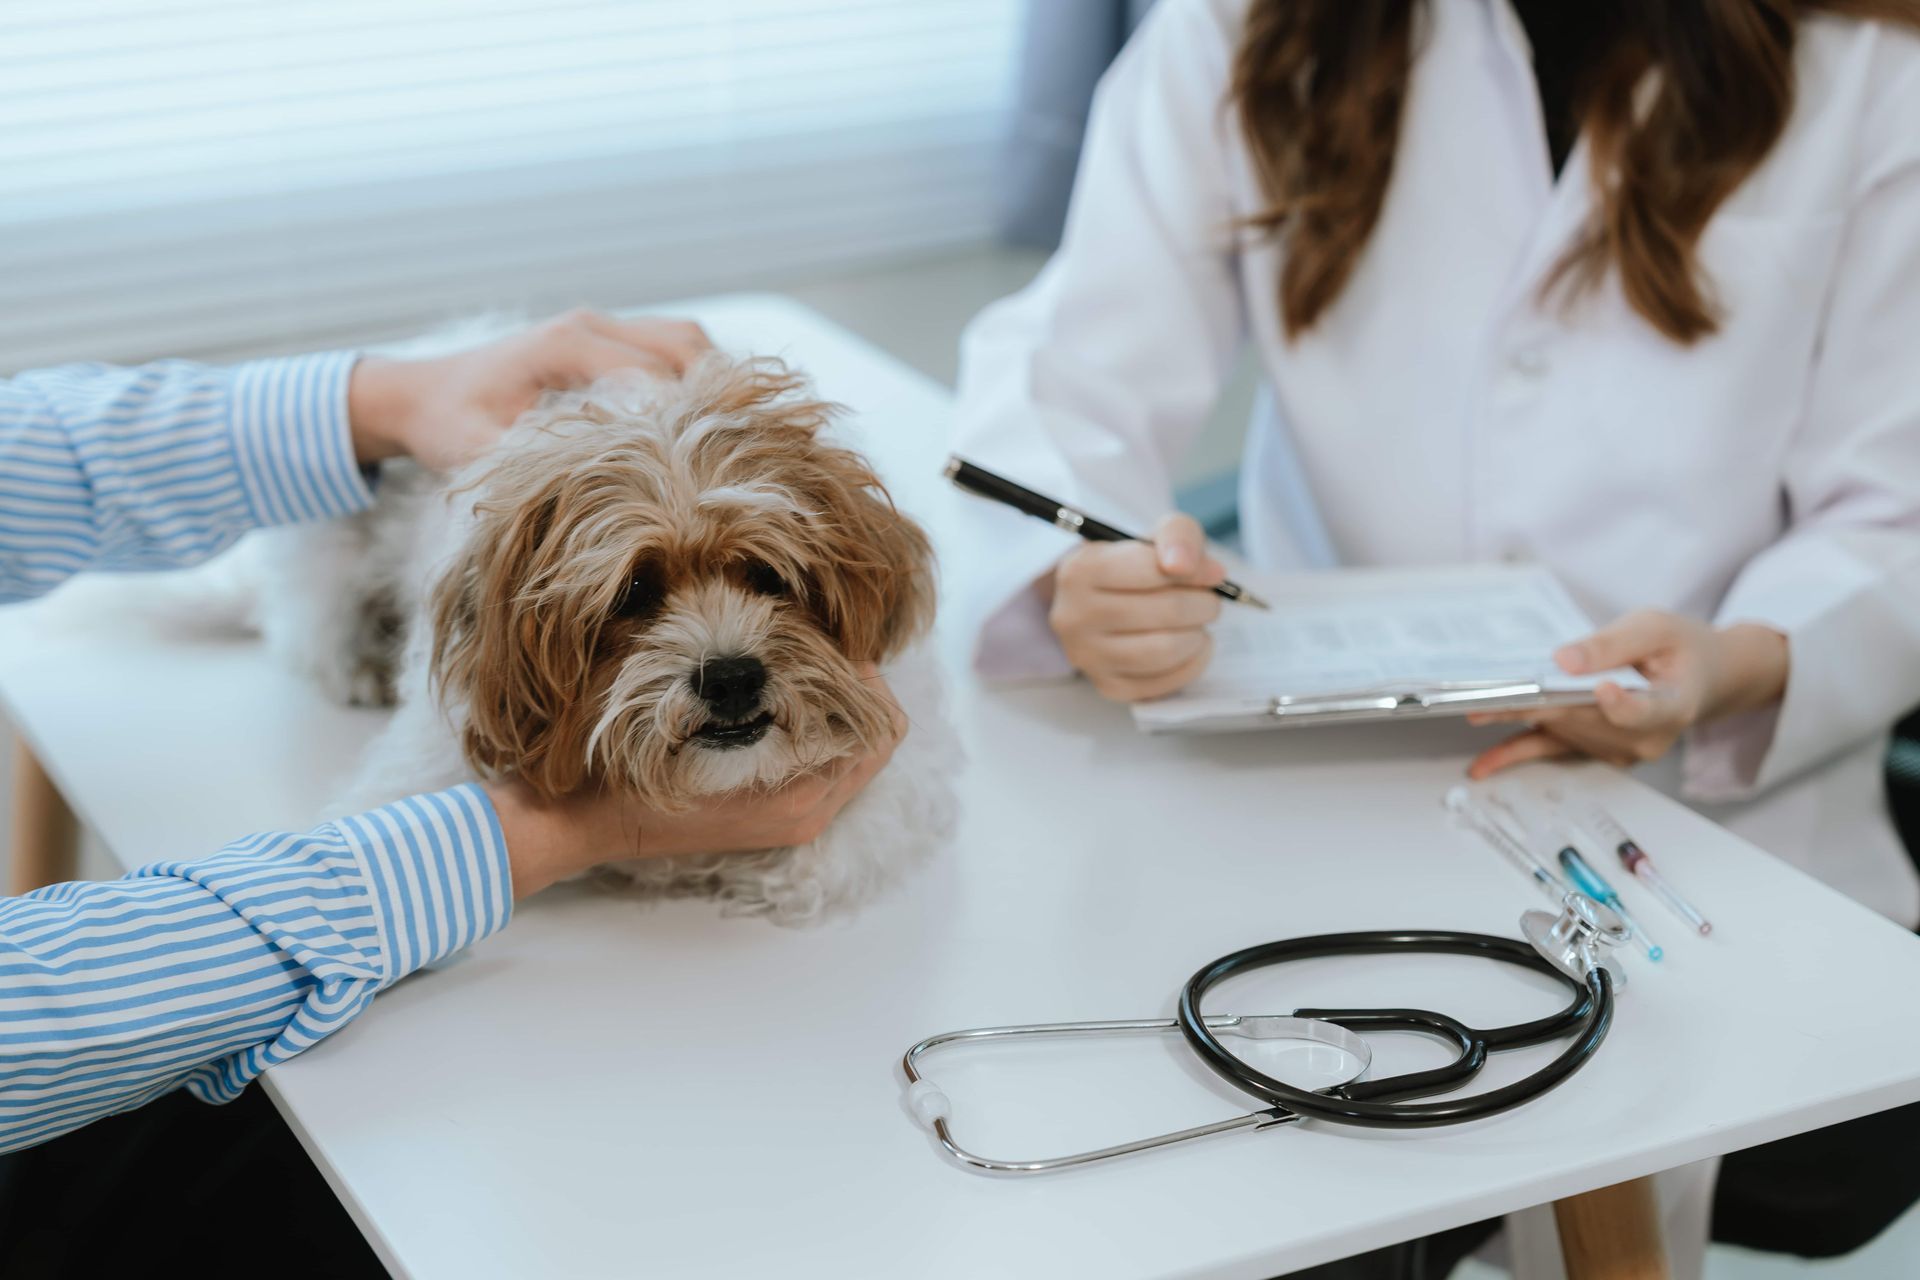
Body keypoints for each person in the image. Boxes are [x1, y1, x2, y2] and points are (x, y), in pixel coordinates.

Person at [954, 0, 1920, 928]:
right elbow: (1069, 370)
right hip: (1325, 801)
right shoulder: (1240, 23)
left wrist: (1736, 663)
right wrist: (1081, 572)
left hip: (1734, 849)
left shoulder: (1874, 62)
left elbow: (1895, 515)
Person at [0, 311, 903, 1157]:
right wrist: (563, 833)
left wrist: (382, 401)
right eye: (634, 597)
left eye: (765, 577)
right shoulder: (477, 629)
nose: (726, 652)